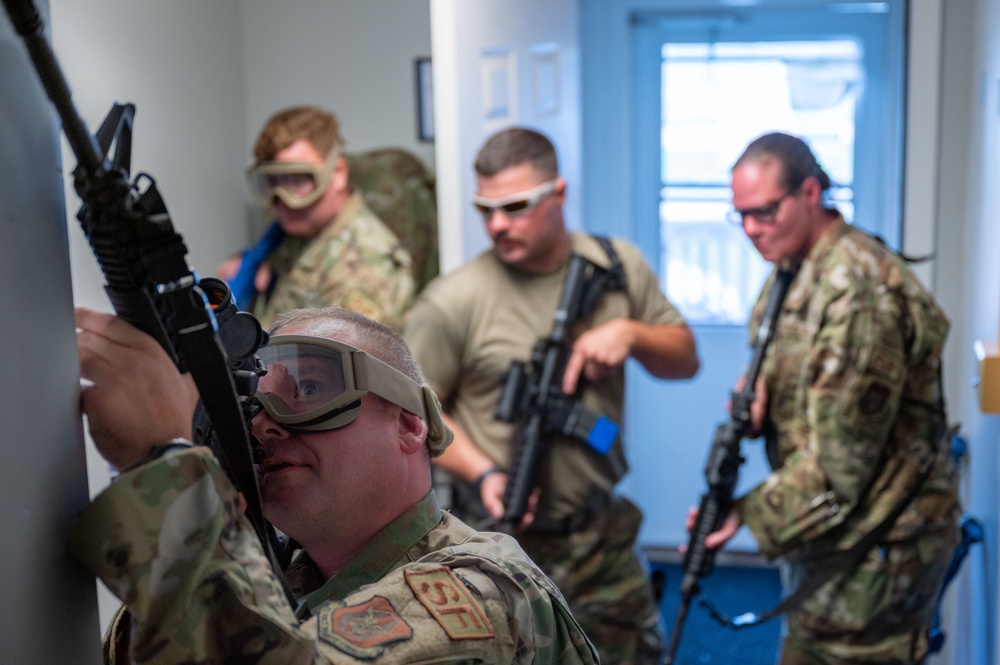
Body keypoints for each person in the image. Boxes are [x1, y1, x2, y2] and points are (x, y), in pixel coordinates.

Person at [71, 304, 599, 664]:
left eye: (308, 387)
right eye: (254, 404)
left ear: (409, 423)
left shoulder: (484, 592)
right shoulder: (289, 580)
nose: (265, 424)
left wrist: (165, 467)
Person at [403, 127, 700, 665]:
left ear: (558, 194)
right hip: (500, 543)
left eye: (515, 207)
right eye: (485, 209)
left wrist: (631, 334)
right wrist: (484, 473)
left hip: (599, 536)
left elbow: (684, 359)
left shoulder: (617, 266)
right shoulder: (452, 302)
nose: (497, 225)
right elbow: (415, 414)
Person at [691, 132, 961, 664]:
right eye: (740, 215)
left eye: (764, 212)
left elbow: (840, 469)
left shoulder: (856, 294)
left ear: (810, 192)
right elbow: (780, 364)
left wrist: (743, 515)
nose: (751, 229)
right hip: (832, 534)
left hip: (877, 545)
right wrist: (759, 402)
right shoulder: (792, 270)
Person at [218, 106, 414, 330]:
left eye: (298, 180)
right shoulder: (299, 231)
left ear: (338, 173)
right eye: (272, 181)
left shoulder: (363, 271)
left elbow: (346, 363)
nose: (283, 199)